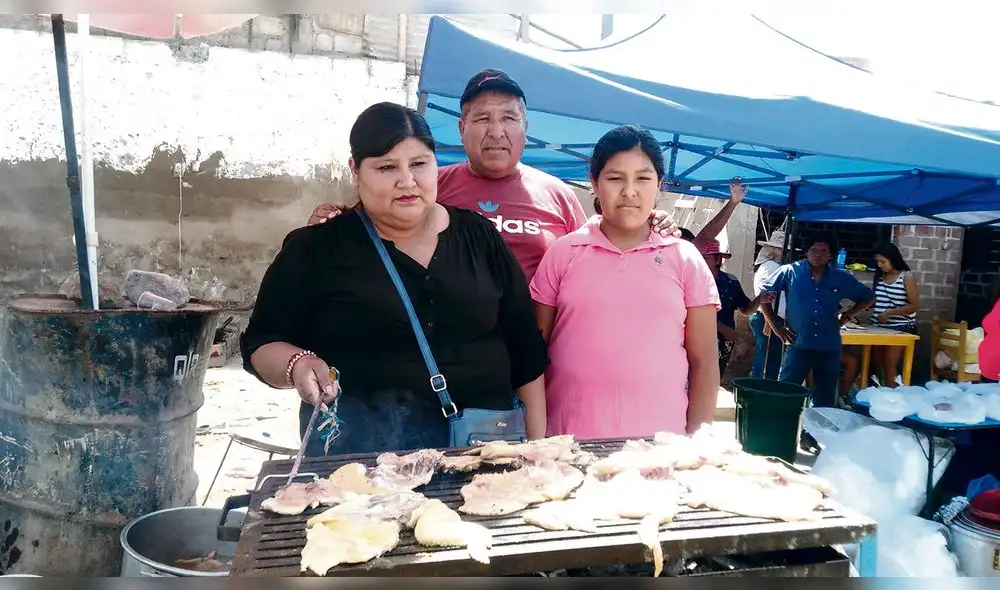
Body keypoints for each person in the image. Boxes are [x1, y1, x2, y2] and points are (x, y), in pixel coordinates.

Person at [240, 102, 549, 456]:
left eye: (419, 164)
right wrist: (298, 365)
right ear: (356, 171)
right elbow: (262, 344)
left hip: (482, 455)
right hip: (359, 466)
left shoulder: (480, 238)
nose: (407, 181)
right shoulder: (317, 249)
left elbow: (526, 351)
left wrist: (537, 449)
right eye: (387, 167)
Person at [307, 68, 679, 282]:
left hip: (536, 358)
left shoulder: (558, 195)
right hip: (445, 360)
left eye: (509, 119)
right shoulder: (429, 185)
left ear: (526, 128)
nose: (496, 131)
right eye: (483, 118)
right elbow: (376, 226)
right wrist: (335, 220)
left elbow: (595, 256)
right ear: (461, 127)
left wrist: (648, 223)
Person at [529, 125, 721, 439]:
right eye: (615, 178)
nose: (630, 191)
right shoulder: (563, 253)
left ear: (660, 184)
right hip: (567, 442)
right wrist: (538, 441)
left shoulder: (685, 260)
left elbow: (705, 365)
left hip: (660, 449)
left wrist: (696, 446)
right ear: (594, 182)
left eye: (643, 178)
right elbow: (533, 357)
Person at [760, 235, 876, 408]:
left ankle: (816, 433)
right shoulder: (790, 271)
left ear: (831, 256)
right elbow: (764, 296)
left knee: (825, 398)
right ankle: (784, 428)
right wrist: (776, 325)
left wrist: (847, 316)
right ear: (806, 252)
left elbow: (869, 297)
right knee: (785, 392)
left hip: (828, 346)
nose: (817, 254)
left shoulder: (840, 277)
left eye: (823, 251)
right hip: (798, 343)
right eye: (813, 250)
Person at [840, 242, 920, 395]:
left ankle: (893, 397)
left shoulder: (906, 277)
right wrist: (867, 307)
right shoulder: (880, 276)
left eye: (883, 261)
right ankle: (872, 395)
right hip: (878, 326)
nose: (880, 265)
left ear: (893, 259)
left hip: (899, 328)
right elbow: (878, 299)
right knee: (873, 363)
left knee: (889, 363)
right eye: (877, 261)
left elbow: (915, 305)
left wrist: (889, 313)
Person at [699, 238, 772, 377]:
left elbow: (745, 309)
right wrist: (721, 327)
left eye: (706, 257)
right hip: (697, 339)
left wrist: (759, 300)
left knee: (714, 379)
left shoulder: (730, 282)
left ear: (718, 259)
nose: (701, 261)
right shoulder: (691, 281)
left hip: (722, 344)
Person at [749, 229, 788, 379]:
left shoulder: (772, 266)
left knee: (768, 355)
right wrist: (770, 320)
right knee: (766, 357)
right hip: (766, 317)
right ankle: (760, 388)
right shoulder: (770, 266)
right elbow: (765, 295)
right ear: (775, 250)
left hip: (769, 316)